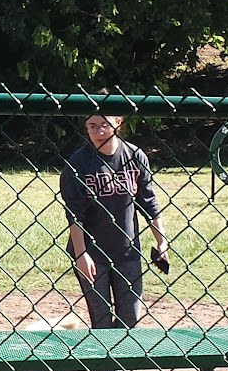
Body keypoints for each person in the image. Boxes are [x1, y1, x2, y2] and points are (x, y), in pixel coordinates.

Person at [59, 113, 169, 346]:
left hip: (127, 251)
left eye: (104, 125)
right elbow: (74, 213)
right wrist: (81, 253)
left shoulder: (134, 156)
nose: (98, 131)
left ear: (118, 123)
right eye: (92, 126)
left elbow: (148, 201)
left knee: (130, 317)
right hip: (92, 253)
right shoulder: (78, 163)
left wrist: (161, 241)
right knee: (101, 320)